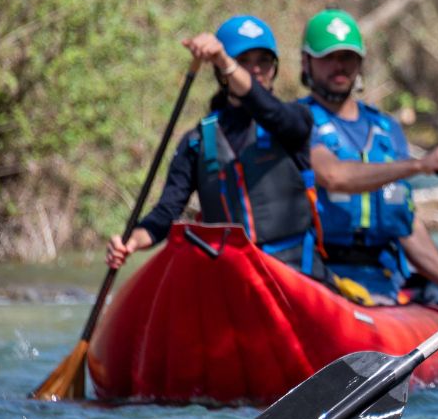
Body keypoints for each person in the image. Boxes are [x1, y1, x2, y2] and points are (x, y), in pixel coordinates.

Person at [108, 15, 325, 277]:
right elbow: (167, 211)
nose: (255, 70)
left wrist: (225, 60)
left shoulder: (295, 119)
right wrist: (132, 241)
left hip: (295, 272)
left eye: (263, 61)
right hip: (233, 276)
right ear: (220, 75)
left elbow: (270, 112)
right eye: (243, 61)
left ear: (274, 68)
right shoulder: (197, 141)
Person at [298, 9, 438, 306]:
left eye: (347, 57)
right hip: (321, 276)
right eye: (327, 57)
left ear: (359, 63)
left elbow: (405, 224)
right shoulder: (297, 120)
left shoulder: (386, 129)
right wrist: (419, 165)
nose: (339, 66)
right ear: (307, 62)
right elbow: (333, 177)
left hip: (384, 277)